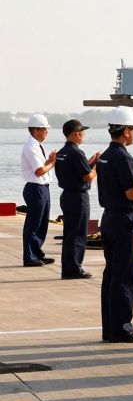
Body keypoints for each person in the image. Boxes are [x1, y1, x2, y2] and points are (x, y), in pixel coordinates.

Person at [96, 106, 133, 343]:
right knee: (126, 276)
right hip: (125, 220)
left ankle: (110, 327)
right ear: (127, 131)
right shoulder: (123, 156)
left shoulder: (105, 156)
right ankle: (122, 328)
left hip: (109, 217)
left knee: (112, 274)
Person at [54, 119, 99, 278]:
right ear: (76, 134)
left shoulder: (61, 152)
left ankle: (68, 268)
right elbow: (87, 177)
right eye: (82, 132)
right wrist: (96, 168)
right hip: (78, 197)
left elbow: (72, 171)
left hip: (66, 195)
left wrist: (89, 163)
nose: (84, 135)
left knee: (69, 234)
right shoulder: (76, 152)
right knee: (78, 234)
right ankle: (74, 269)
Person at [19, 113, 56, 267]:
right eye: (44, 129)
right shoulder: (31, 147)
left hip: (43, 187)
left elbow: (42, 167)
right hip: (36, 188)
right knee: (33, 224)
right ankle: (29, 256)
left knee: (42, 224)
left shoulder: (37, 146)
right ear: (35, 131)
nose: (46, 132)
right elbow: (39, 171)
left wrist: (49, 161)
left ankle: (36, 253)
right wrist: (52, 163)